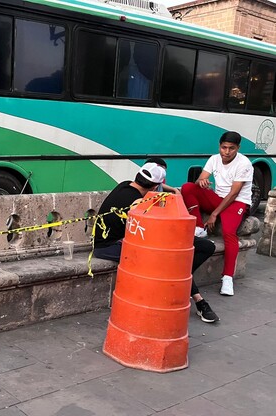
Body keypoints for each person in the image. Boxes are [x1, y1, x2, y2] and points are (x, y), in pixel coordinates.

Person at [94, 162, 219, 322]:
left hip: (130, 240)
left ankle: (182, 286)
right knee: (169, 261)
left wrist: (173, 190)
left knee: (205, 247)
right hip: (108, 247)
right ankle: (198, 300)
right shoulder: (139, 203)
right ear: (155, 187)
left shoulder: (125, 186)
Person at [180, 131, 253, 296]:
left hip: (237, 202)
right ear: (219, 146)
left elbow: (234, 193)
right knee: (188, 187)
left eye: (231, 148)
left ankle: (227, 278)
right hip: (219, 199)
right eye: (224, 147)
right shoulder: (214, 158)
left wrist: (214, 214)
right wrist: (202, 181)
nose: (226, 152)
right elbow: (200, 179)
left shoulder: (244, 164)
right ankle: (199, 227)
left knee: (229, 233)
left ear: (238, 148)